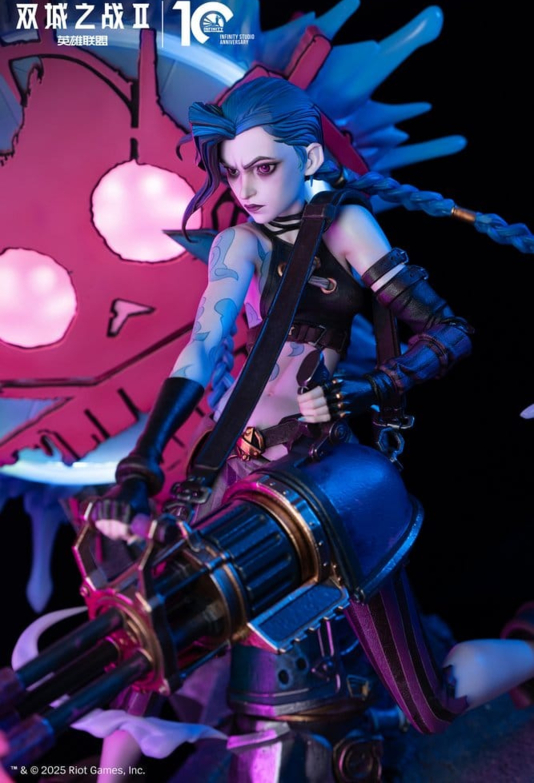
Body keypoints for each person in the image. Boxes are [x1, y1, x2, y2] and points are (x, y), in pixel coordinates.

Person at [89, 77, 534, 778]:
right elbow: (202, 348)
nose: (245, 188)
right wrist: (141, 465)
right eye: (233, 172)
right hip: (235, 467)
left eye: (264, 167)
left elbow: (447, 330)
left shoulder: (346, 228)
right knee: (145, 636)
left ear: (311, 158)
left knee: (429, 702)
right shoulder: (239, 242)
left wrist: (367, 387)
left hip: (321, 474)